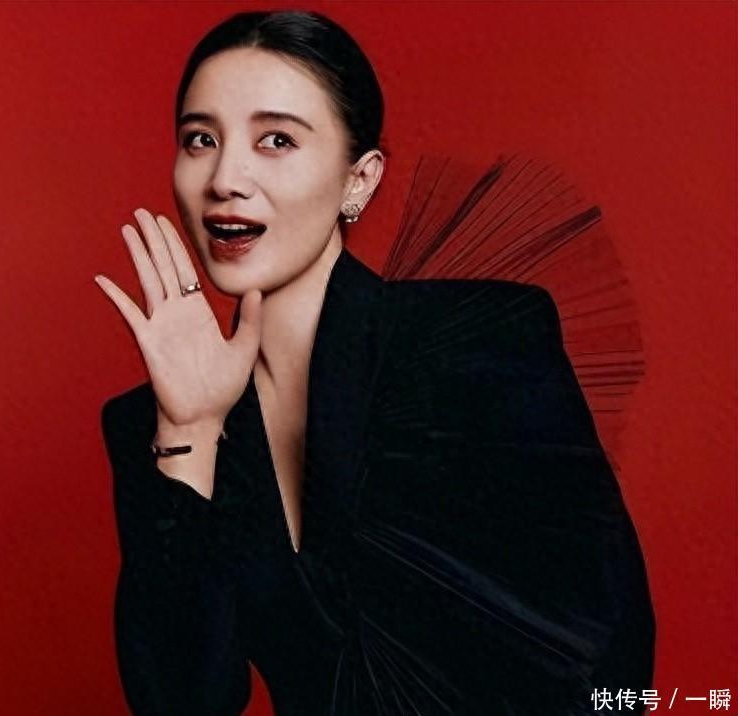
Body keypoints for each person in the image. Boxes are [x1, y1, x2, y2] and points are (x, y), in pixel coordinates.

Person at [95, 10, 655, 716]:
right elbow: (185, 701)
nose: (225, 179)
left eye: (276, 140)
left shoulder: (475, 340)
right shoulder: (154, 425)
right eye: (200, 139)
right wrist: (191, 432)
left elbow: (611, 644)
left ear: (358, 180)